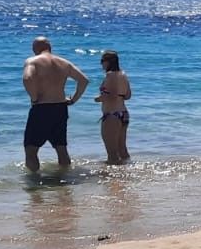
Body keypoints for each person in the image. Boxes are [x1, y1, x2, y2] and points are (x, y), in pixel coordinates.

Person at [21, 36, 88, 173]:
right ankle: (64, 179)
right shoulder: (63, 62)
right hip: (60, 108)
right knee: (61, 147)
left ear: (36, 48)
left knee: (31, 149)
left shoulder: (32, 61)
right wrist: (74, 99)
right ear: (49, 47)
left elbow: (27, 78)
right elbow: (83, 80)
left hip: (42, 108)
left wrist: (34, 97)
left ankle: (34, 182)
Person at [96, 50, 131, 165]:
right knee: (122, 150)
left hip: (111, 115)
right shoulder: (123, 74)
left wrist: (98, 98)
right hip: (123, 113)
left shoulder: (110, 75)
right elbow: (127, 95)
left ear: (108, 62)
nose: (101, 64)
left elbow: (111, 95)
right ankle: (126, 173)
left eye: (102, 61)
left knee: (112, 153)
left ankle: (114, 180)